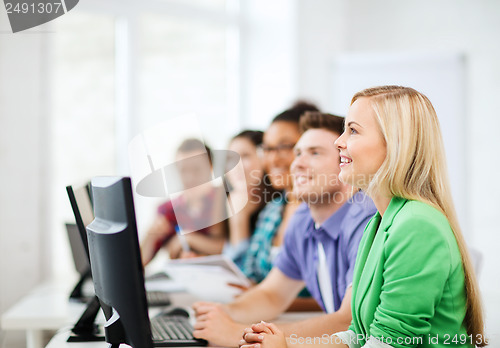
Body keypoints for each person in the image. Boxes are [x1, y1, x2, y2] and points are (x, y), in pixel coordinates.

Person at [240, 86, 486, 348]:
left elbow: (386, 343)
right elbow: (358, 335)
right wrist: (286, 345)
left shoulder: (416, 225)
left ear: (394, 143)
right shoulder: (379, 223)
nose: (339, 142)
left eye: (353, 131)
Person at [192, 111, 376, 347]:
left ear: (345, 161)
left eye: (315, 153)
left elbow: (349, 322)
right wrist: (222, 313)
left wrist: (238, 333)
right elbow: (272, 294)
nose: (296, 163)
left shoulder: (366, 218)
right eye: (298, 152)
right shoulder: (302, 219)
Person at [237, 101, 319, 284]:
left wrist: (257, 297)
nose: (273, 158)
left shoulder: (324, 211)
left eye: (284, 147)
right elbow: (249, 273)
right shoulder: (273, 208)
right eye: (267, 149)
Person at [140, 138, 227, 265]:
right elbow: (140, 263)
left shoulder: (225, 199)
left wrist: (188, 238)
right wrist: (151, 236)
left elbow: (231, 248)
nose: (189, 177)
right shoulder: (168, 210)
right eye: (183, 170)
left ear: (211, 167)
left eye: (197, 169)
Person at [223, 130, 273, 266]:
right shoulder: (230, 200)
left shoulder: (277, 208)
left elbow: (241, 270)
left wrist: (239, 218)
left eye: (245, 156)